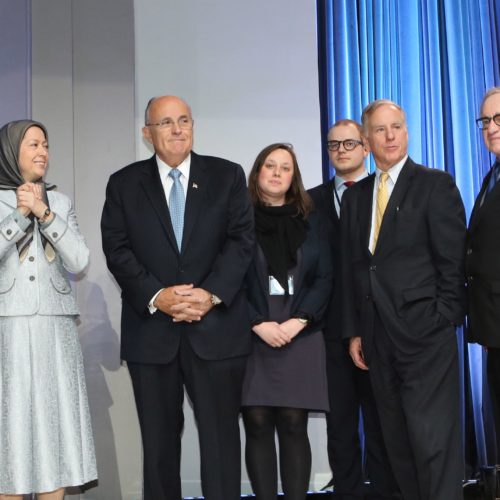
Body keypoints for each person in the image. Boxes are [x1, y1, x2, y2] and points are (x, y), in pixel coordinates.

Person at [100, 95, 254, 500]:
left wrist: (210, 295)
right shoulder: (124, 183)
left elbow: (241, 243)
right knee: (159, 448)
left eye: (183, 120)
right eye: (165, 122)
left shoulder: (227, 175)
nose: (177, 129)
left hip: (217, 331)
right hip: (152, 334)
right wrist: (157, 295)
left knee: (221, 444)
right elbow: (117, 250)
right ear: (147, 133)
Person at [341, 100, 467, 500]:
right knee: (396, 447)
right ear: (366, 140)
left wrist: (444, 317)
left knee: (432, 443)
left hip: (426, 336)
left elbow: (453, 261)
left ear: (407, 131)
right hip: (377, 339)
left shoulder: (435, 184)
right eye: (380, 129)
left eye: (397, 126)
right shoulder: (357, 197)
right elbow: (355, 269)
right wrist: (355, 332)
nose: (390, 135)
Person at [0, 120, 97, 499]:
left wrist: (44, 213)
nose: (43, 152)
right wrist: (19, 215)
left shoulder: (60, 202)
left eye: (46, 145)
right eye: (33, 144)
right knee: (11, 428)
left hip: (56, 328)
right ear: (11, 151)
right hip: (8, 326)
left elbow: (79, 260)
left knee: (54, 427)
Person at [309, 120, 397, 500]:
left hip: (380, 328)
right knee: (340, 425)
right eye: (333, 145)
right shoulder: (307, 201)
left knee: (382, 422)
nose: (341, 150)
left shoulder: (386, 193)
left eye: (349, 143)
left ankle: (385, 492)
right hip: (328, 331)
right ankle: (346, 492)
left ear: (365, 146)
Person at [241, 143, 333, 500]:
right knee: (258, 422)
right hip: (252, 334)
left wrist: (300, 320)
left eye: (286, 168)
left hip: (301, 332)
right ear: (257, 172)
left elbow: (325, 278)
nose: (277, 173)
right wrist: (256, 323)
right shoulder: (238, 219)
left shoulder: (312, 220)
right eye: (270, 165)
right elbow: (228, 277)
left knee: (295, 423)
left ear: (294, 177)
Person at [466, 87, 500, 460]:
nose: (491, 127)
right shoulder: (492, 175)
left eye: (499, 118)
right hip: (493, 323)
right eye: (485, 121)